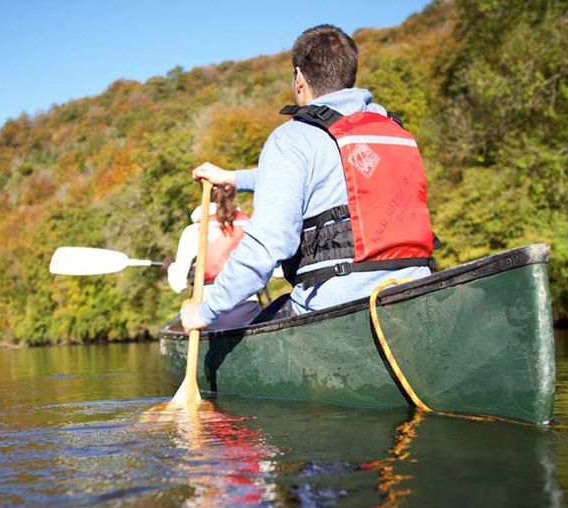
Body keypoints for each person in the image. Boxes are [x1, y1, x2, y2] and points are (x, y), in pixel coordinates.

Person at [181, 24, 435, 332]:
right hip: (417, 295)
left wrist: (205, 311)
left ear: (299, 78)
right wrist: (231, 177)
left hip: (335, 307)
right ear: (349, 74)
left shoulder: (292, 139)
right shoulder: (395, 132)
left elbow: (265, 247)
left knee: (241, 328)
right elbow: (314, 176)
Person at [168, 184, 263, 330]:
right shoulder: (250, 224)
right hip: (249, 311)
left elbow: (178, 284)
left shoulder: (194, 230)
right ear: (232, 194)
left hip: (208, 313)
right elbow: (277, 272)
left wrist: (171, 267)